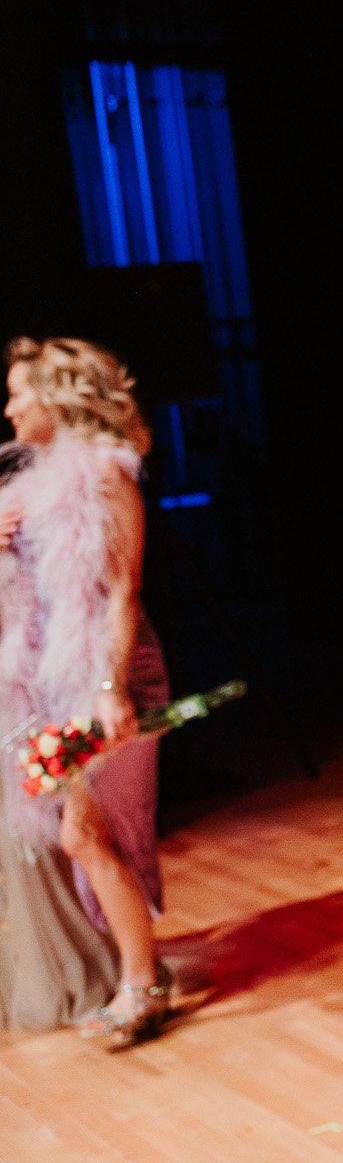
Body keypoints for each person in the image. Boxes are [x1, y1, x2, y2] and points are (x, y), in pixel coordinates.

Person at [0, 336, 172, 1042]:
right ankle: (138, 974)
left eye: (19, 393)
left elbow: (121, 592)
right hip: (62, 680)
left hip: (115, 673)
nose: (9, 409)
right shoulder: (26, 490)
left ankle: (142, 983)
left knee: (90, 832)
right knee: (85, 833)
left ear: (56, 395)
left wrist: (108, 687)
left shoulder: (106, 473)